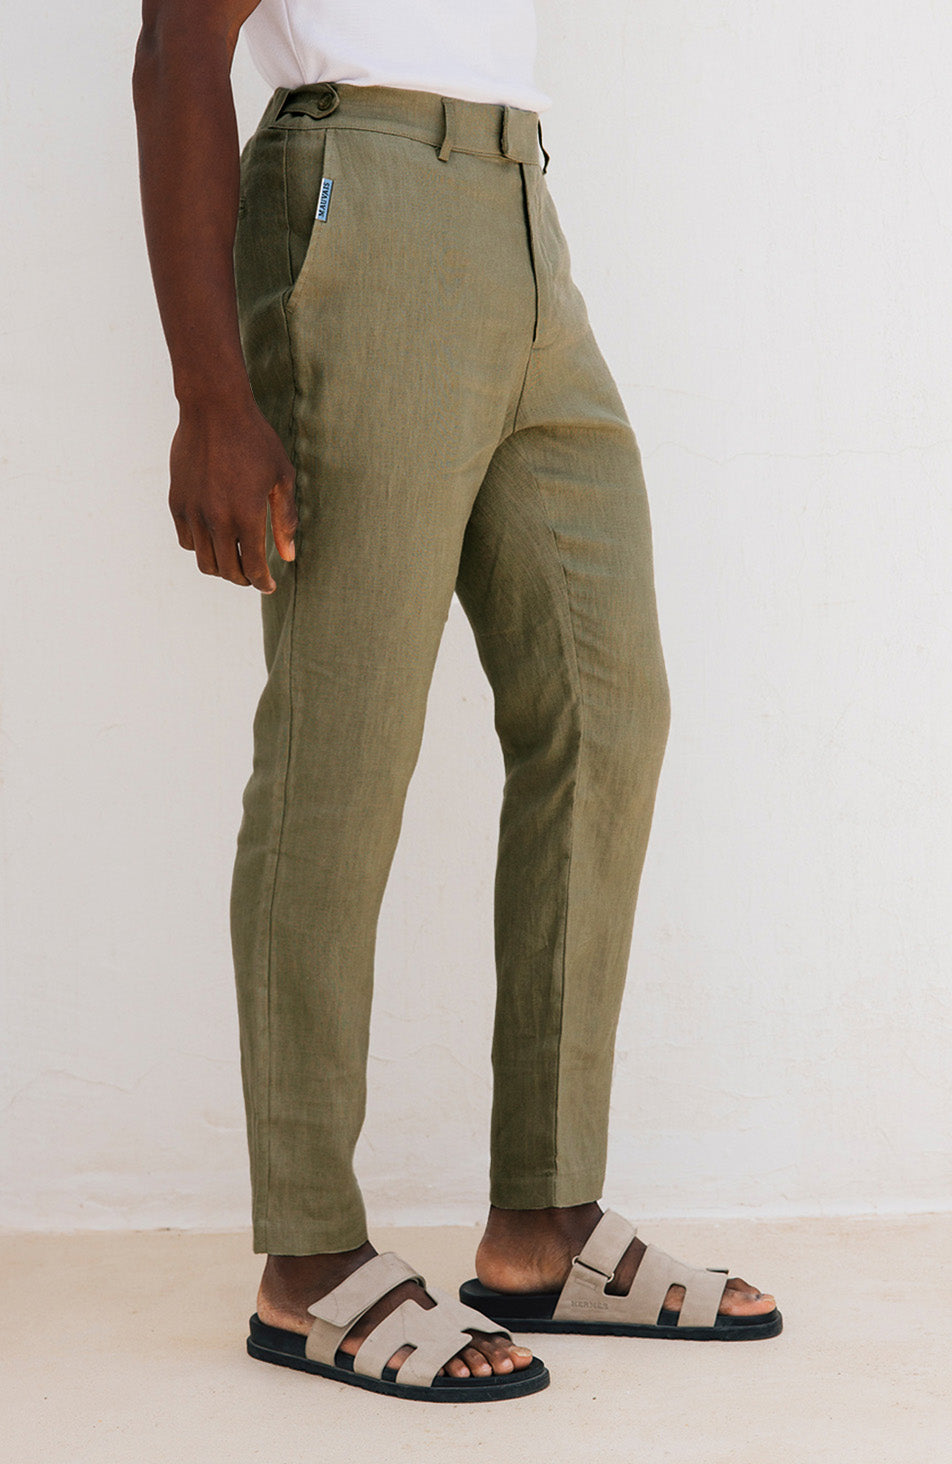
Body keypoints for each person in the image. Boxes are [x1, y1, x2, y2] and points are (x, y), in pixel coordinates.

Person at [132, 0, 781, 1404]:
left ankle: (545, 1222)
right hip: (359, 198)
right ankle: (309, 1257)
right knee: (344, 735)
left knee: (610, 708)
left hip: (522, 205)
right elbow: (178, 42)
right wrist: (209, 397)